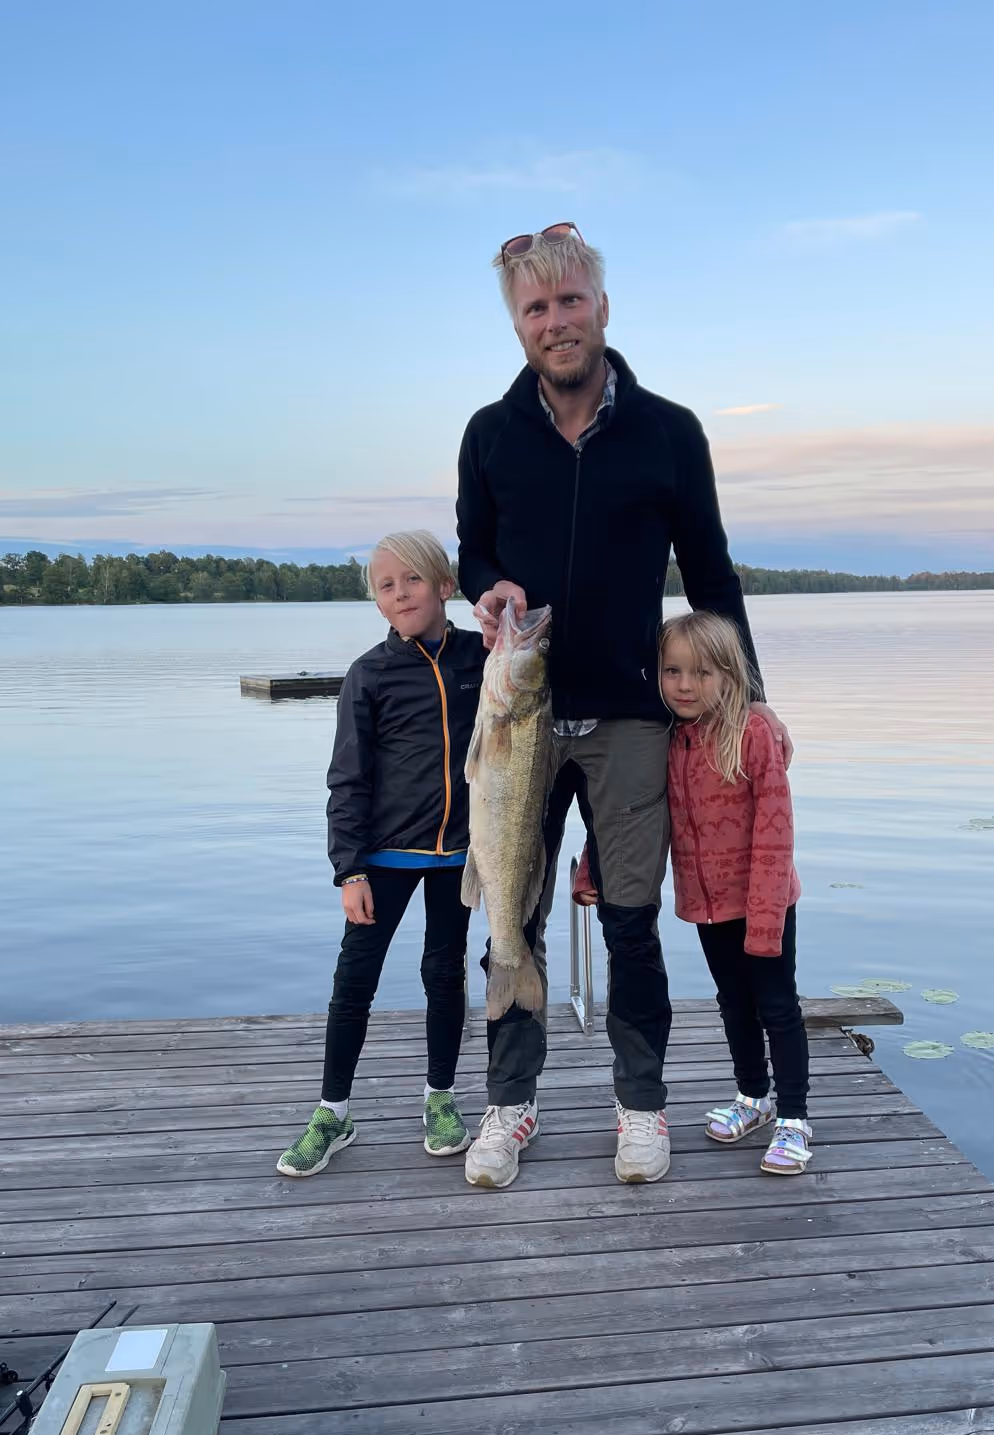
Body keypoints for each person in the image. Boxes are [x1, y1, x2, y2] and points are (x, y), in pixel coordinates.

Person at [456, 222, 792, 1190]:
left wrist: (750, 701)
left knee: (632, 922)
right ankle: (510, 1105)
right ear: (517, 325)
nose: (555, 321)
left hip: (631, 719)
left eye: (570, 301)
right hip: (516, 719)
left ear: (601, 307)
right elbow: (474, 548)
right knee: (512, 911)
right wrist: (486, 588)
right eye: (536, 307)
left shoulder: (670, 432)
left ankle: (640, 1107)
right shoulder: (489, 433)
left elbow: (712, 573)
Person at [277, 531, 485, 1177]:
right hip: (384, 857)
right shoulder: (369, 674)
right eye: (386, 585)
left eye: (412, 579)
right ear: (376, 601)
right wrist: (349, 870)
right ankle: (332, 1112)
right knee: (354, 982)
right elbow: (348, 779)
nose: (400, 593)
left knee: (444, 975)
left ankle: (440, 1097)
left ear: (445, 586)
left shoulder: (482, 658)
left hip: (460, 855)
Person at [575, 611, 810, 1174]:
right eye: (672, 671)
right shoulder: (664, 738)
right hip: (707, 906)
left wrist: (765, 919)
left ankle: (794, 1119)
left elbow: (776, 832)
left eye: (702, 673)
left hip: (764, 901)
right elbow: (627, 814)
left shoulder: (752, 735)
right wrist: (591, 870)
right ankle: (753, 1096)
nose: (685, 685)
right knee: (733, 1003)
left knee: (777, 1006)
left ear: (729, 674)